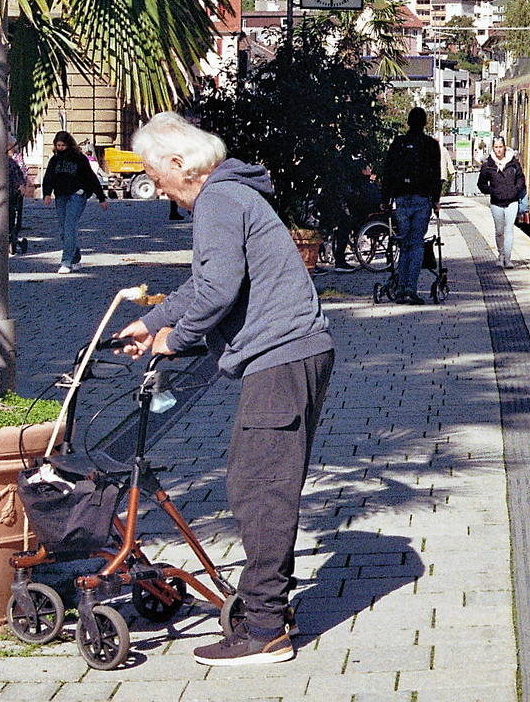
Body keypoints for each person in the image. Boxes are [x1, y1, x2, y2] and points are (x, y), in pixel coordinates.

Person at [116, 112, 333, 667]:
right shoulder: (229, 196)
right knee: (255, 478)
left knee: (260, 487)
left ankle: (265, 630)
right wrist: (156, 319)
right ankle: (266, 614)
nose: (155, 184)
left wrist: (172, 340)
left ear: (178, 163)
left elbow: (217, 288)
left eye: (153, 172)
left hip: (281, 355)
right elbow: (206, 282)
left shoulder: (217, 200)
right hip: (288, 354)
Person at [380, 107, 442, 304]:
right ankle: (410, 289)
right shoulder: (430, 145)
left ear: (407, 122)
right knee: (416, 244)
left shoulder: (398, 143)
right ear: (424, 123)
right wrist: (436, 199)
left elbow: (388, 171)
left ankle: (399, 288)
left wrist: (386, 198)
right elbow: (435, 173)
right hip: (421, 199)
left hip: (401, 199)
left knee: (404, 243)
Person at [40, 131, 107, 273]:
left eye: (63, 145)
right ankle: (75, 258)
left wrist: (101, 197)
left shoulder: (79, 158)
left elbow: (91, 177)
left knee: (70, 226)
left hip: (77, 195)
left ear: (69, 144)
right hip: (60, 196)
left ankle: (66, 262)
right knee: (64, 230)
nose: (60, 148)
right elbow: (48, 177)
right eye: (58, 145)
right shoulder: (54, 160)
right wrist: (46, 194)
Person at [477, 134, 526, 268]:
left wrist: (515, 190)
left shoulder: (514, 163)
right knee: (499, 230)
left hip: (512, 201)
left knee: (509, 229)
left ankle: (508, 259)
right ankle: (500, 255)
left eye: (500, 147)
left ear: (505, 147)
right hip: (496, 202)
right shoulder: (488, 165)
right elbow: (481, 184)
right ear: (493, 148)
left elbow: (521, 179)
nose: (498, 150)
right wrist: (492, 191)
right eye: (496, 147)